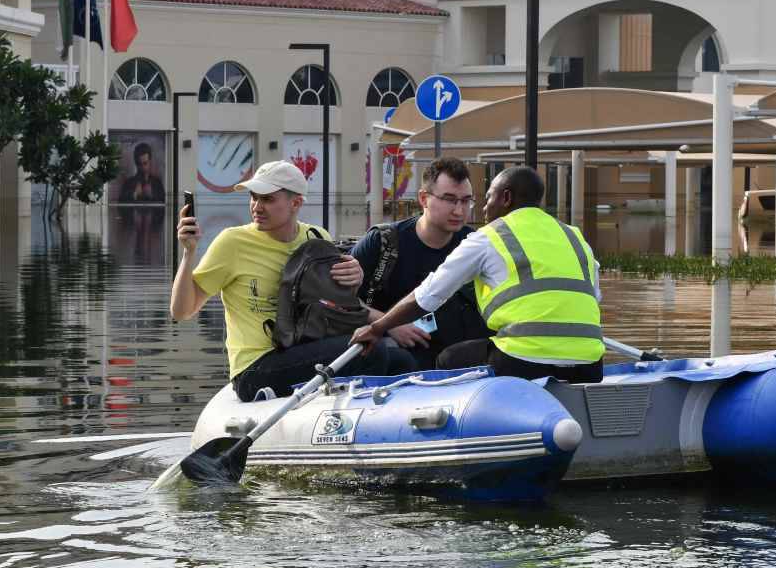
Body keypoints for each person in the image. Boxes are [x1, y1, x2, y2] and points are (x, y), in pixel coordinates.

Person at [171, 160, 416, 401]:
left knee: (401, 358)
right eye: (254, 197)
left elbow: (337, 308)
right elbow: (182, 311)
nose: (257, 206)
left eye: (267, 199)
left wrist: (383, 319)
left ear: (295, 203)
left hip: (304, 350)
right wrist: (188, 253)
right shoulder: (231, 243)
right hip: (255, 368)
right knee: (368, 353)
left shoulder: (317, 237)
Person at [351, 165, 604, 383]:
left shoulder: (489, 237)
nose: (480, 209)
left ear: (505, 198)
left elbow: (428, 295)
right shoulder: (575, 236)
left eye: (485, 198)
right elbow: (592, 297)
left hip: (526, 361)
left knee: (449, 359)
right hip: (591, 363)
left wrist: (378, 327)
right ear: (424, 199)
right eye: (451, 200)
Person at [350, 157, 490, 369]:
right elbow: (337, 300)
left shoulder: (475, 243)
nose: (459, 211)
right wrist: (388, 325)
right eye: (450, 199)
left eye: (466, 200)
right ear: (423, 199)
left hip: (461, 364)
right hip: (399, 368)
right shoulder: (383, 241)